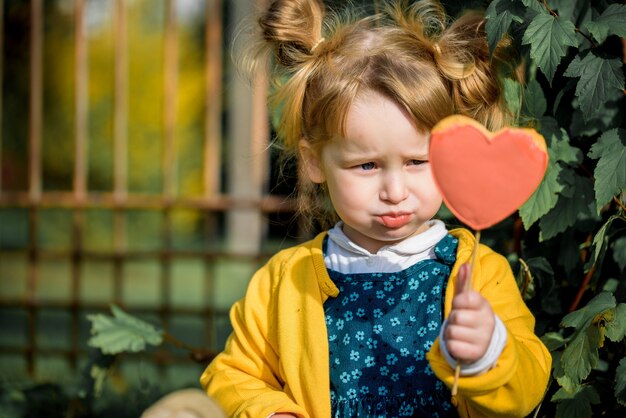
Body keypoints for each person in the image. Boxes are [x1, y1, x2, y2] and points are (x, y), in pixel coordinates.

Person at [200, 0, 552, 417]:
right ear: (314, 161)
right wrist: (267, 411)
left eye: (417, 161)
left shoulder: (475, 271)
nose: (395, 190)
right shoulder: (285, 280)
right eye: (366, 165)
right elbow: (232, 375)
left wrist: (488, 353)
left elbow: (529, 387)